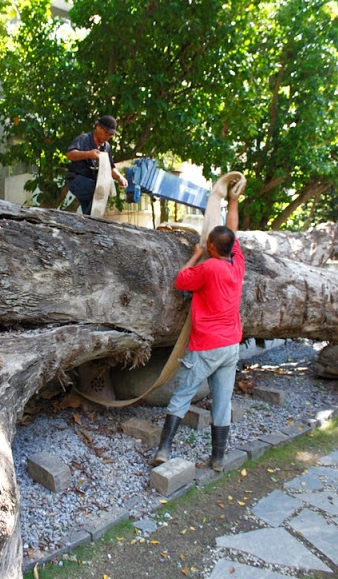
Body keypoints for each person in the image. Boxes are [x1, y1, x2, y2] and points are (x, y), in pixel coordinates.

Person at [151, 181, 245, 472]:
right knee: (222, 403)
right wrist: (233, 201)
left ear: (212, 247)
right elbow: (233, 229)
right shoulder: (237, 264)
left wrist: (194, 254)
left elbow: (180, 280)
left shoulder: (207, 268)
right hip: (230, 347)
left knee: (181, 397)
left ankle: (164, 450)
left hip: (205, 347)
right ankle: (218, 458)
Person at [65, 115, 128, 215]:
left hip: (91, 181)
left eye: (110, 135)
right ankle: (90, 222)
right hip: (76, 180)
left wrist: (120, 178)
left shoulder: (106, 146)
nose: (107, 137)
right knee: (101, 191)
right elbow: (69, 154)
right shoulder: (84, 139)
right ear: (98, 127)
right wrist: (88, 154)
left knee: (90, 210)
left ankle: (87, 225)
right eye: (106, 133)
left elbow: (111, 167)